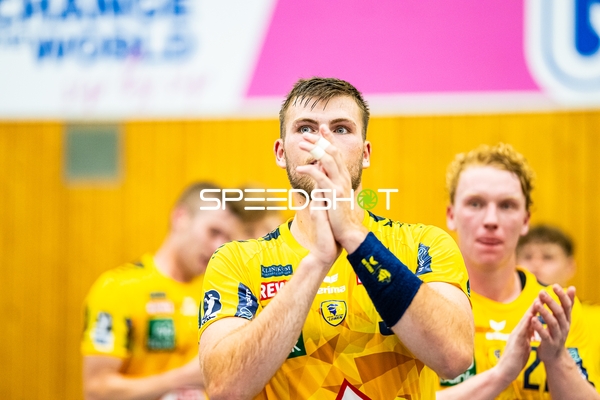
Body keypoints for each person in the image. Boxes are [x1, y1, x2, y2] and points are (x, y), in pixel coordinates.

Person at [197, 77, 474, 400]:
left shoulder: (424, 244)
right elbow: (224, 389)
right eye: (306, 129)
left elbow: (455, 358)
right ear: (281, 153)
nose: (323, 144)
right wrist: (316, 263)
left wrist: (357, 239)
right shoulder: (236, 261)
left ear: (366, 153)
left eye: (341, 129)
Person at [438, 144, 600, 399]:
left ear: (525, 219)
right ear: (451, 215)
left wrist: (557, 359)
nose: (491, 220)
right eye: (475, 203)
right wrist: (501, 375)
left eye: (507, 205)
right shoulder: (427, 303)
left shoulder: (554, 308)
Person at [81, 182, 244, 400]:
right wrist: (184, 378)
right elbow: (96, 391)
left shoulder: (219, 294)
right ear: (180, 218)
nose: (219, 246)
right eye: (213, 232)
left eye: (228, 239)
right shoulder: (118, 289)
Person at [517, 224, 600, 379]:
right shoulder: (504, 314)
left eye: (547, 257)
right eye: (527, 257)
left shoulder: (596, 319)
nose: (535, 265)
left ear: (570, 266)